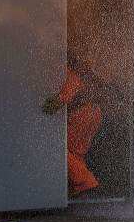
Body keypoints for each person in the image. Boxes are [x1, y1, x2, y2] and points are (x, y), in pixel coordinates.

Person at [43, 55, 102, 197]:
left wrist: (42, 106)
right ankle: (76, 187)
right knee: (76, 152)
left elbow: (59, 101)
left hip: (82, 115)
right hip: (94, 113)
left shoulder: (67, 75)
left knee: (60, 148)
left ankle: (85, 182)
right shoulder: (76, 76)